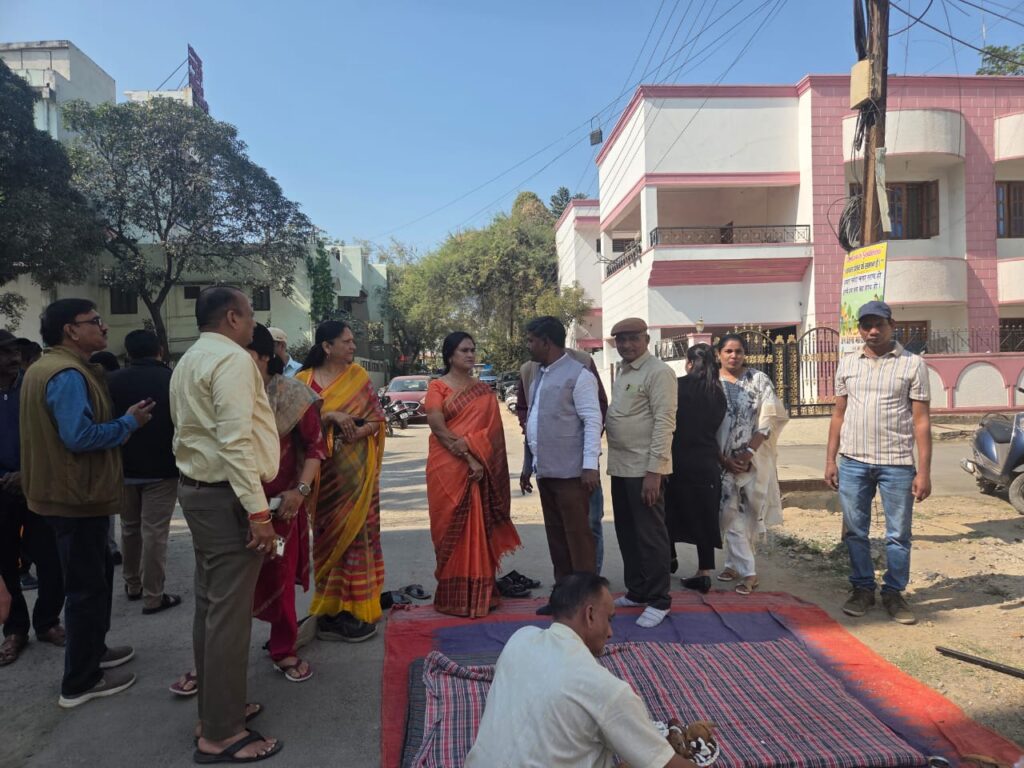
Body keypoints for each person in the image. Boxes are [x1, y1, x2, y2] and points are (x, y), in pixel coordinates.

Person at [20, 299, 154, 708]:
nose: (104, 327)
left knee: (95, 581)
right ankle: (80, 681)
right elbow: (78, 437)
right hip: (75, 497)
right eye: (95, 321)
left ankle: (94, 652)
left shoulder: (49, 368)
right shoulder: (65, 374)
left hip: (69, 495)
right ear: (71, 330)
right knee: (84, 590)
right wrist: (128, 423)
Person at [170, 286, 283, 762]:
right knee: (228, 617)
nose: (255, 322)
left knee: (212, 609)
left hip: (201, 492)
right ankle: (221, 733)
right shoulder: (233, 360)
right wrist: (259, 514)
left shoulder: (190, 358)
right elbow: (235, 443)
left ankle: (218, 709)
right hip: (227, 499)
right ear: (233, 317)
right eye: (251, 313)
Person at [465, 572, 697, 768]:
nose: (610, 633)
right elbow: (666, 764)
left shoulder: (520, 638)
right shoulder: (607, 690)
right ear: (590, 615)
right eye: (609, 619)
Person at [826, 301, 931, 626]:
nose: (873, 331)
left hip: (896, 464)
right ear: (859, 329)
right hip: (853, 462)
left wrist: (924, 472)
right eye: (866, 325)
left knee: (898, 534)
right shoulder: (848, 363)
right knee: (856, 532)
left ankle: (894, 593)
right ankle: (862, 589)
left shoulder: (913, 364)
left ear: (891, 325)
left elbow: (921, 422)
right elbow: (838, 414)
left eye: (879, 324)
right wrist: (830, 459)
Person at [296, 321, 386, 642]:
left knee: (359, 539)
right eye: (346, 341)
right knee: (327, 540)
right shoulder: (302, 382)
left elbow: (377, 420)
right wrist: (330, 416)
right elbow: (294, 427)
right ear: (327, 346)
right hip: (322, 482)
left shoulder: (358, 378)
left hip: (358, 478)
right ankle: (331, 609)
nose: (353, 346)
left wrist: (358, 432)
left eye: (352, 341)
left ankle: (357, 607)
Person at [249, 324, 326, 680]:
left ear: (265, 356)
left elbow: (315, 448)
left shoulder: (293, 395)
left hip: (280, 507)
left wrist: (300, 492)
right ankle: (212, 662)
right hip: (230, 503)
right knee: (221, 587)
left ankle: (283, 649)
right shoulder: (222, 392)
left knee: (278, 575)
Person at [424, 332, 520, 617]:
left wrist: (475, 453)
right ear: (449, 355)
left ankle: (481, 595)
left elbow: (492, 434)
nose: (470, 355)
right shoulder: (437, 387)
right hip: (447, 468)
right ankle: (452, 597)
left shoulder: (483, 391)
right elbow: (438, 428)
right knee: (447, 529)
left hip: (480, 469)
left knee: (478, 528)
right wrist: (468, 456)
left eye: (472, 350)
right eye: (464, 350)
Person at [519, 317, 601, 612]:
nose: (528, 346)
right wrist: (528, 463)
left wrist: (590, 467)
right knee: (557, 540)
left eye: (531, 340)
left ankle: (587, 605)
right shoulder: (538, 375)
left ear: (546, 342)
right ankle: (564, 602)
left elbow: (593, 421)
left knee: (578, 541)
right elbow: (535, 421)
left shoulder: (579, 375)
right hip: (547, 472)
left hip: (572, 475)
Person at [605, 318, 677, 628]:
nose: (626, 345)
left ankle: (659, 599)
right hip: (621, 466)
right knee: (627, 533)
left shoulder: (658, 372)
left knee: (650, 535)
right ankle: (637, 591)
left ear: (646, 340)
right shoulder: (624, 371)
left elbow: (664, 422)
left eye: (633, 338)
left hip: (644, 469)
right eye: (621, 340)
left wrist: (654, 472)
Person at [0, 329, 66, 667]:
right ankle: (15, 630)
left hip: (37, 486)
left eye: (15, 351)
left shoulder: (34, 386)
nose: (13, 357)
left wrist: (28, 473)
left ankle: (47, 621)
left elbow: (53, 436)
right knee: (5, 563)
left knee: (51, 560)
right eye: (4, 352)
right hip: (1, 491)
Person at [107, 330, 181, 615]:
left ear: (128, 353)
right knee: (155, 532)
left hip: (124, 466)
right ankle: (154, 595)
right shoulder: (172, 379)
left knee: (129, 527)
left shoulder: (112, 381)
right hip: (163, 468)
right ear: (159, 350)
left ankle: (132, 584)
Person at [716, 334, 788, 596]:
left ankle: (735, 565)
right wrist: (723, 458)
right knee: (729, 513)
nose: (733, 356)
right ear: (719, 354)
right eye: (728, 351)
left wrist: (747, 453)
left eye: (738, 351)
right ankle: (747, 571)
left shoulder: (759, 380)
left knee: (748, 512)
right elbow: (704, 424)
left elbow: (769, 419)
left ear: (744, 354)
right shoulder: (712, 382)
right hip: (720, 461)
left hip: (753, 459)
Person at [666, 343, 727, 593]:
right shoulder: (718, 392)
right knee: (704, 516)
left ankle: (669, 557)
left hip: (676, 460)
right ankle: (704, 572)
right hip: (706, 462)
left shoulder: (676, 386)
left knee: (669, 511)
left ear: (689, 363)